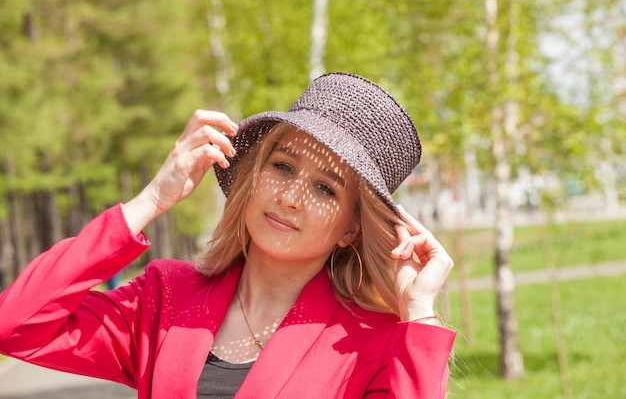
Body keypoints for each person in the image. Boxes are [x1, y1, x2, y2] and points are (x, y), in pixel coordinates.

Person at [0, 72, 455, 398]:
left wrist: (418, 312)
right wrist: (150, 201)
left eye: (325, 188)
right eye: (282, 166)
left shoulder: (370, 344)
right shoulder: (166, 298)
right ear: (254, 174)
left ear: (351, 227)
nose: (291, 197)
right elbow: (16, 326)